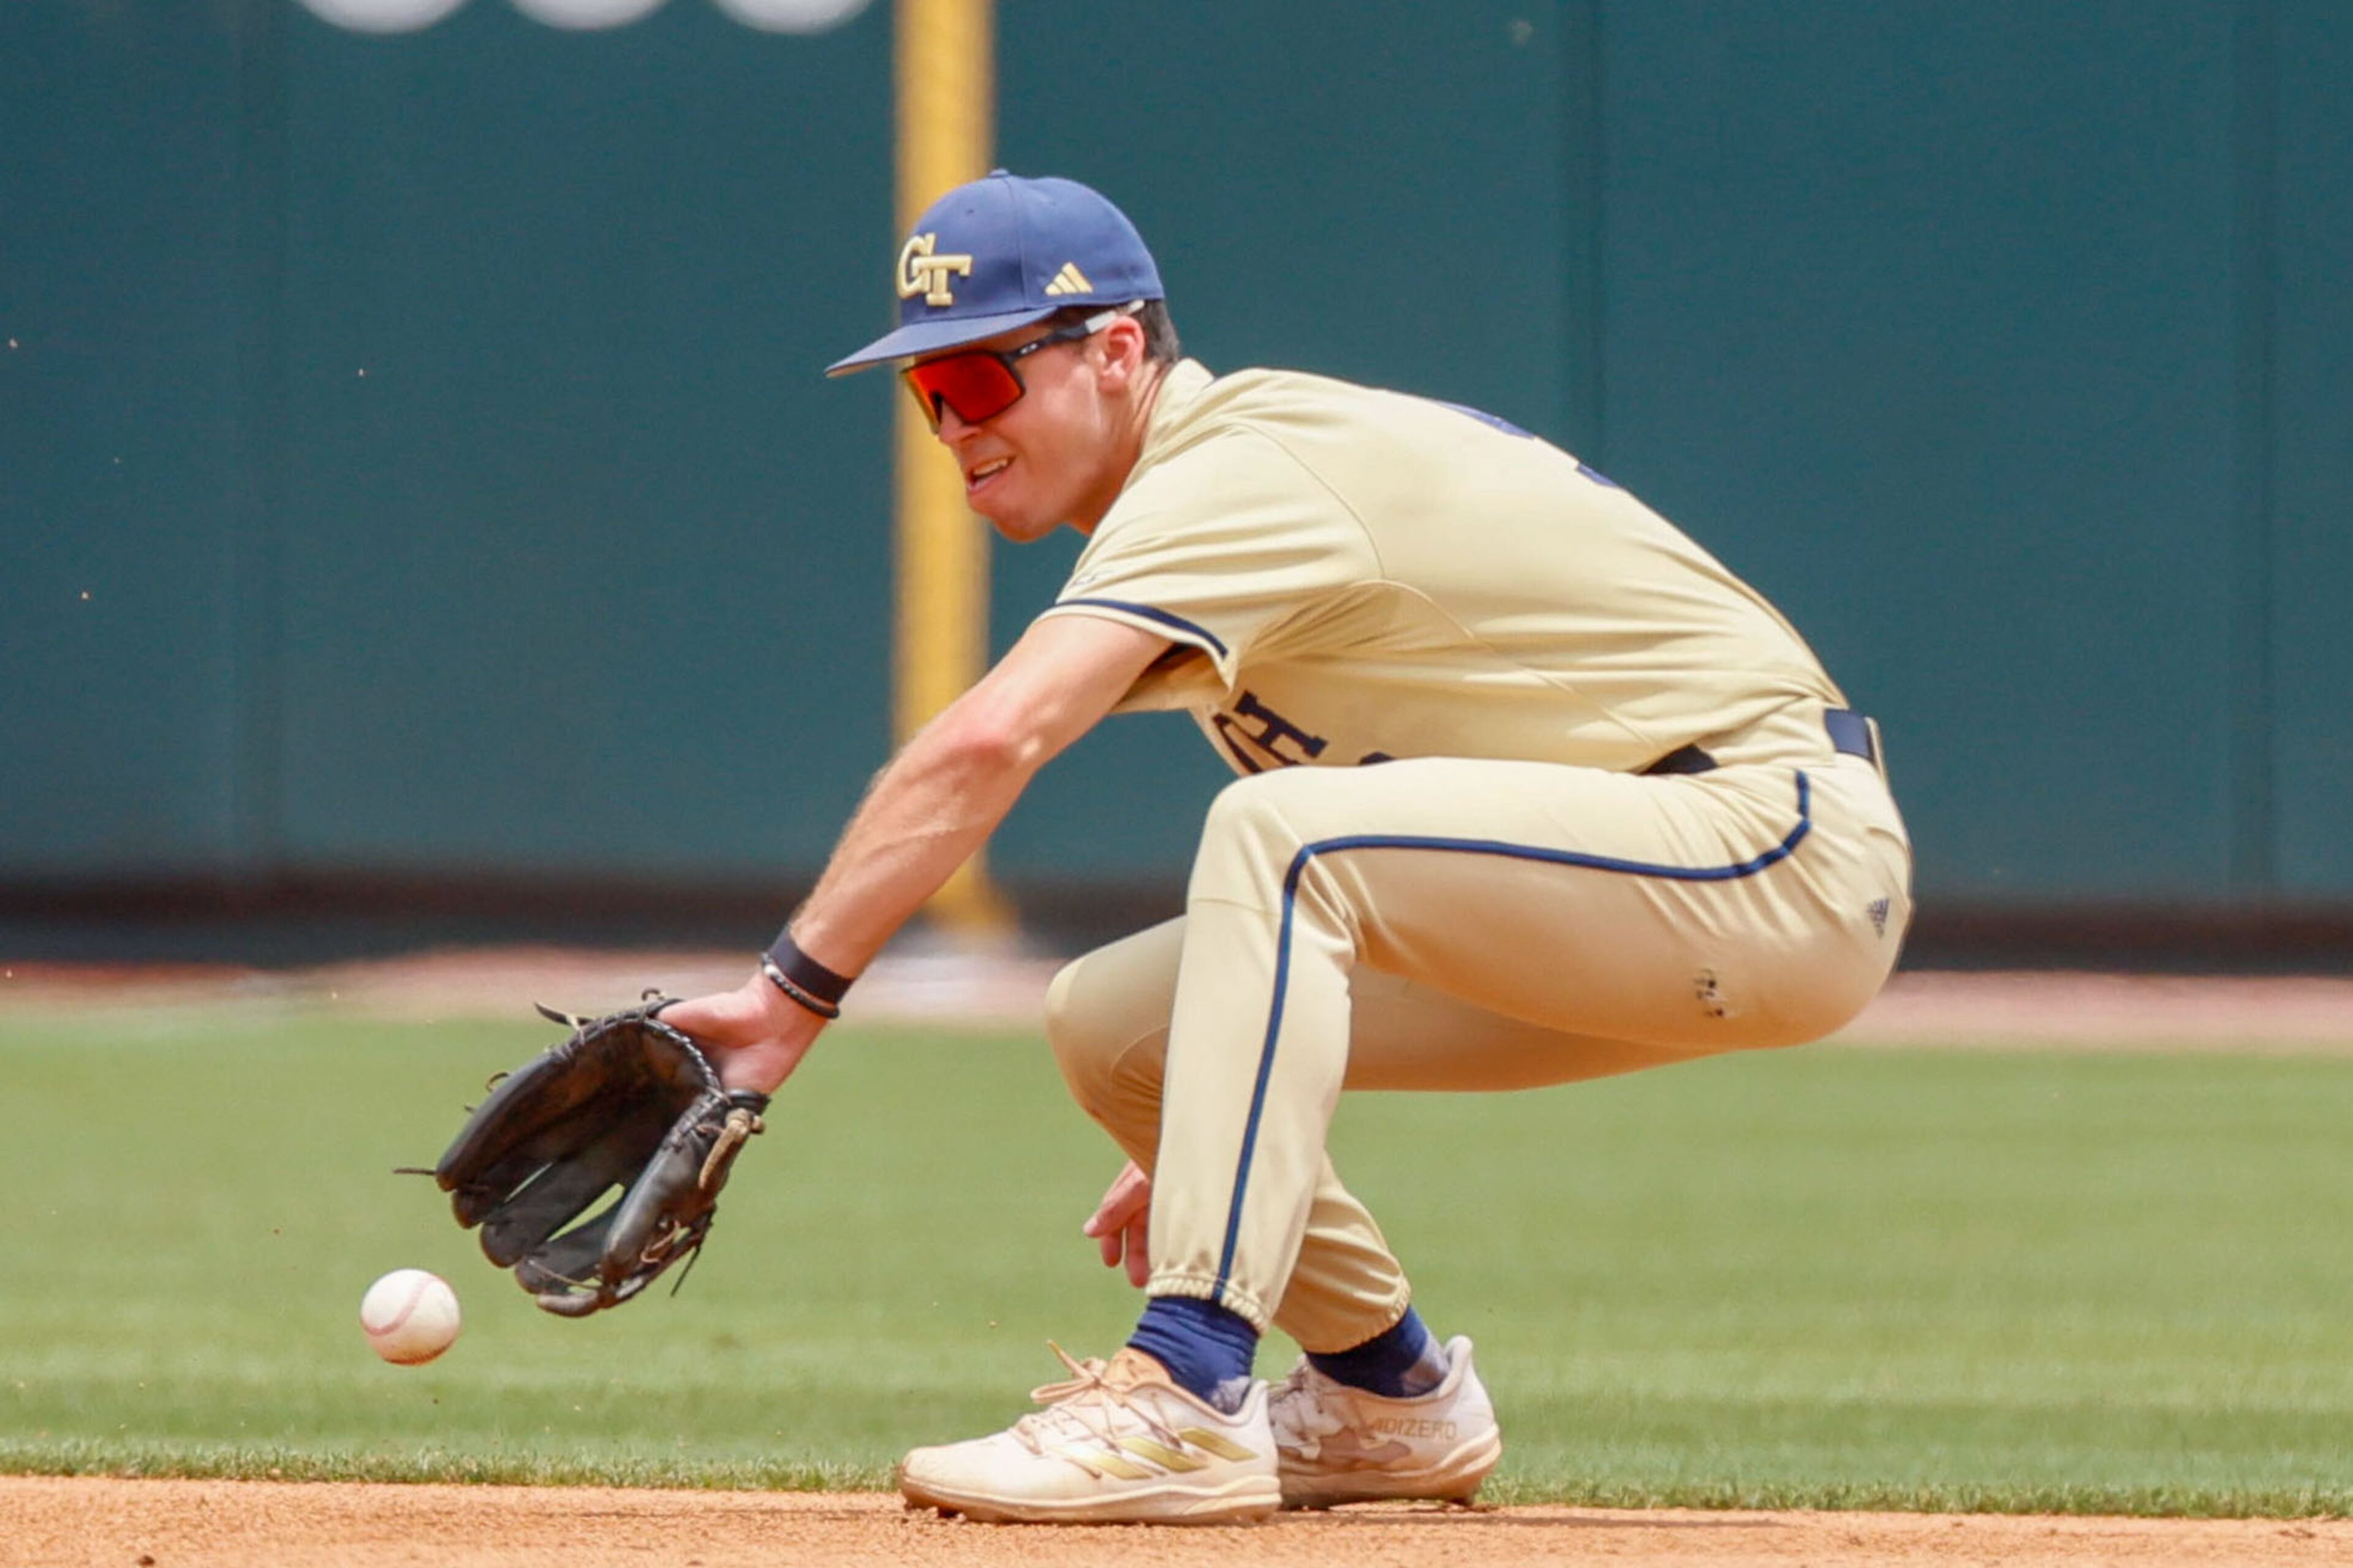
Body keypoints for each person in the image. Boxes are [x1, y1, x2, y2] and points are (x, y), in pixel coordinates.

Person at [664, 171, 1913, 1526]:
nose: (952, 426)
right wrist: (1222, 1122)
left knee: (1281, 833)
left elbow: (990, 741)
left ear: (1119, 352)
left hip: (1772, 843)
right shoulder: (1200, 499)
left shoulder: (1235, 467)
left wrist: (787, 1000)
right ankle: (1391, 1396)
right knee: (1116, 1022)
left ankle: (1187, 1388)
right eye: (926, 396)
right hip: (1644, 868)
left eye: (977, 380)